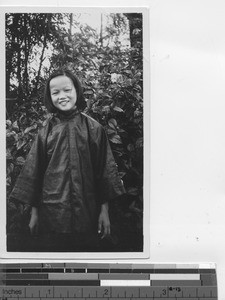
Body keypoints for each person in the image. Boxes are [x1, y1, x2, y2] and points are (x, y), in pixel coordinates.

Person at [9, 69, 125, 252]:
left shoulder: (94, 129)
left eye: (67, 90)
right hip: (51, 215)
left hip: (88, 213)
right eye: (55, 92)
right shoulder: (45, 131)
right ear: (50, 97)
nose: (62, 96)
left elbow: (104, 172)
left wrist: (104, 212)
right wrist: (34, 213)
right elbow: (34, 173)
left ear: (77, 92)